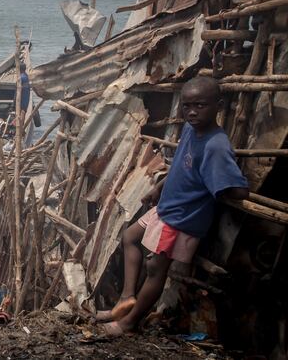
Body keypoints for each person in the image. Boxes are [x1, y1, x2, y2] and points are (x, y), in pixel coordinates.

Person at [99, 76, 248, 336]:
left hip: (182, 217)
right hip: (168, 207)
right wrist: (159, 187)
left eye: (200, 105)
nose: (191, 111)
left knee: (156, 269)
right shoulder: (192, 129)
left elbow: (238, 189)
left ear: (219, 105)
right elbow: (181, 164)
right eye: (187, 105)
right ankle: (126, 298)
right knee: (129, 237)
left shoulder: (215, 146)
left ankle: (128, 323)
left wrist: (218, 184)